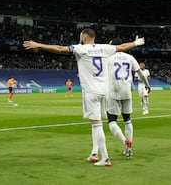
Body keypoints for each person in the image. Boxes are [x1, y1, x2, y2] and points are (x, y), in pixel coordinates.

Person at [23, 28, 145, 167]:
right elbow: (123, 47)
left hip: (91, 92)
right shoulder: (104, 48)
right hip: (105, 91)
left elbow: (59, 49)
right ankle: (94, 153)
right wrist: (136, 43)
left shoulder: (81, 49)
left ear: (85, 38)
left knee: (96, 124)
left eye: (81, 38)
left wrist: (39, 45)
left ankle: (105, 158)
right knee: (97, 123)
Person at [106, 38, 151, 159]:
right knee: (127, 120)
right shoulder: (130, 58)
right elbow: (140, 73)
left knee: (112, 121)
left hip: (113, 91)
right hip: (126, 91)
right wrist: (147, 85)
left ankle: (126, 144)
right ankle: (129, 147)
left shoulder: (108, 58)